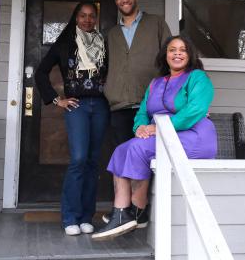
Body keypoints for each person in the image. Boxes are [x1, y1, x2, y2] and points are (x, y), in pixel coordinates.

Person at [92, 35, 217, 241]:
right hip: (162, 133)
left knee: (136, 149)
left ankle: (130, 212)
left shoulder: (198, 78)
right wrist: (140, 127)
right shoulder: (156, 83)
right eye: (172, 49)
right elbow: (143, 111)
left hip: (194, 136)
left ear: (190, 55)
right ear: (165, 55)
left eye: (182, 50)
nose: (177, 53)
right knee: (122, 149)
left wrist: (156, 129)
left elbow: (194, 111)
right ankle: (128, 212)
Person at [35, 2, 109, 237]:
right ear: (76, 18)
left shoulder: (105, 44)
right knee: (78, 159)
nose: (87, 20)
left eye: (91, 16)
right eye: (83, 16)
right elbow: (40, 72)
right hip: (76, 106)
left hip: (100, 106)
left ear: (96, 19)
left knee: (92, 161)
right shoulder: (64, 44)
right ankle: (70, 217)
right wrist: (58, 100)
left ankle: (87, 216)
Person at [104, 0, 171, 147]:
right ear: (116, 1)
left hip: (150, 103)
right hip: (120, 106)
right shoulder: (112, 34)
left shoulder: (156, 23)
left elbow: (171, 57)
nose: (124, 0)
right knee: (122, 155)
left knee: (150, 158)